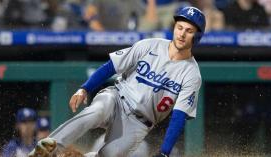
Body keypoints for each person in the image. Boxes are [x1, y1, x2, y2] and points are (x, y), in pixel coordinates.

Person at [29, 6, 205, 157]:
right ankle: (47, 150)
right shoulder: (150, 45)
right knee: (96, 112)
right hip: (117, 99)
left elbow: (179, 116)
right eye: (179, 27)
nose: (182, 34)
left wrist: (165, 152)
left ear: (196, 37)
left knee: (109, 155)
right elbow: (111, 66)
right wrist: (85, 89)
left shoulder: (191, 74)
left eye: (189, 31)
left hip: (139, 123)